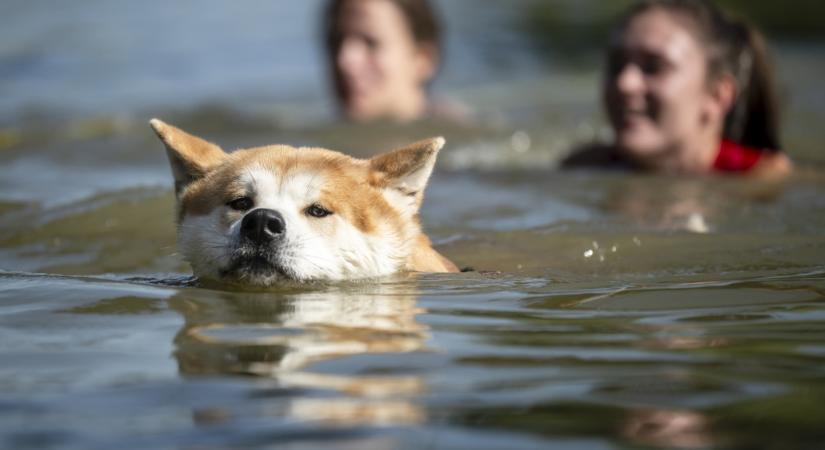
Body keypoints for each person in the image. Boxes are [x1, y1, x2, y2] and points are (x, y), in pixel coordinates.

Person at [563, 0, 792, 176]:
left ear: (718, 96)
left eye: (654, 66)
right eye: (616, 65)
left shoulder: (762, 176)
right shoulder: (584, 168)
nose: (624, 83)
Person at [323, 0, 444, 122]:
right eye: (336, 42)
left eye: (370, 43)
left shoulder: (450, 128)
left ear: (423, 58)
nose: (344, 61)